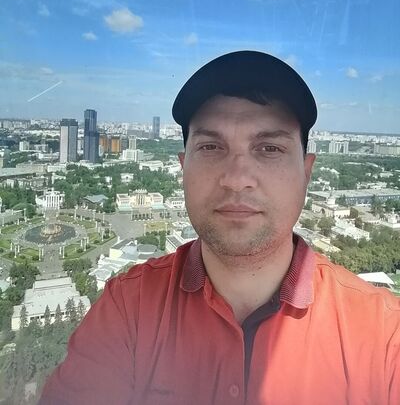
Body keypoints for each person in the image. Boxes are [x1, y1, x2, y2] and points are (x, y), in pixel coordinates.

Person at [40, 51, 400, 405]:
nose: (237, 179)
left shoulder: (383, 335)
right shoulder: (128, 308)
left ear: (306, 173)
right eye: (211, 147)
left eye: (269, 148)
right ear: (183, 167)